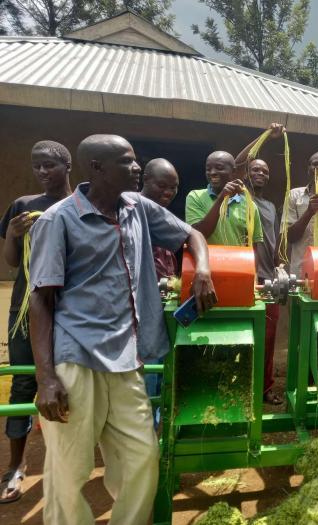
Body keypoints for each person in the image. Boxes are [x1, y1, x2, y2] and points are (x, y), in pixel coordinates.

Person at [28, 134, 217, 525]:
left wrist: (202, 269)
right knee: (69, 468)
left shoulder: (137, 207)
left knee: (142, 457)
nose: (136, 168)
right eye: (127, 162)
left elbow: (193, 234)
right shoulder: (58, 220)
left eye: (135, 161)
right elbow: (41, 301)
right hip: (77, 357)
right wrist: (45, 378)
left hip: (127, 358)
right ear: (97, 168)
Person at [0, 140, 72, 504]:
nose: (42, 171)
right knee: (24, 383)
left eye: (49, 165)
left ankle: (67, 465)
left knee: (72, 382)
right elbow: (12, 261)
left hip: (70, 309)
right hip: (28, 309)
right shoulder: (23, 206)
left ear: (68, 166)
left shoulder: (79, 206)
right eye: (36, 165)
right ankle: (16, 465)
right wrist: (14, 235)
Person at [234, 123, 285, 405]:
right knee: (240, 334)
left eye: (264, 171)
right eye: (255, 170)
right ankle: (239, 387)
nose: (260, 174)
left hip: (267, 278)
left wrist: (279, 265)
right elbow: (237, 163)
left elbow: (274, 243)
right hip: (241, 277)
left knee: (267, 337)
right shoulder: (239, 197)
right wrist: (264, 136)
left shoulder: (270, 206)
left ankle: (264, 388)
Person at [140, 158, 180, 426]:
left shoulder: (163, 217)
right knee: (148, 367)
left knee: (162, 365)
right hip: (142, 308)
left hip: (163, 305)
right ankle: (147, 425)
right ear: (145, 180)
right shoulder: (132, 213)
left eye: (173, 187)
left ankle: (157, 419)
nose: (168, 192)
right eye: (162, 185)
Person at [185, 150, 264, 256]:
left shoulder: (250, 206)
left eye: (219, 168)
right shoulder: (195, 197)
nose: (212, 172)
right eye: (208, 169)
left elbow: (254, 249)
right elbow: (198, 235)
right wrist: (221, 198)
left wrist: (253, 268)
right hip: (205, 264)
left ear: (233, 171)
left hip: (237, 265)